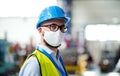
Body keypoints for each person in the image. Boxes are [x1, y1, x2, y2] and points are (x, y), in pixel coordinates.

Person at [19, 5, 70, 76]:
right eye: (53, 26)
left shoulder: (57, 58)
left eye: (62, 27)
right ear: (40, 31)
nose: (59, 32)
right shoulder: (34, 64)